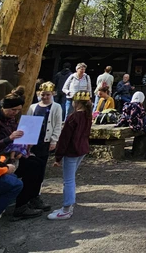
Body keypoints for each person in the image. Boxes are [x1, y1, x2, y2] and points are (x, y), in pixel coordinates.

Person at [0, 87, 46, 218]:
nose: (15, 113)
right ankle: (21, 206)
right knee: (31, 167)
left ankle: (31, 197)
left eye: (18, 111)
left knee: (38, 163)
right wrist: (9, 139)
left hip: (10, 156)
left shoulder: (9, 119)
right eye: (12, 110)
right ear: (3, 107)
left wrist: (25, 143)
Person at [48, 90, 92, 220]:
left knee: (68, 180)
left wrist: (58, 156)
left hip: (72, 151)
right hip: (82, 149)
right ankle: (69, 205)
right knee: (71, 179)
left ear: (76, 102)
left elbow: (64, 138)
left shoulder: (73, 117)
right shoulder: (88, 115)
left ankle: (66, 208)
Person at [26, 82, 62, 211]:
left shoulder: (56, 107)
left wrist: (54, 140)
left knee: (40, 169)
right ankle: (27, 196)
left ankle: (36, 195)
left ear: (52, 94)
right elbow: (28, 123)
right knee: (29, 168)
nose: (45, 97)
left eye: (47, 94)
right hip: (32, 142)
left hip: (44, 142)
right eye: (43, 94)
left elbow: (57, 124)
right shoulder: (33, 107)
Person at [116, 92, 146, 160]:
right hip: (138, 124)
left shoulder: (127, 105)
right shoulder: (138, 107)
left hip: (134, 122)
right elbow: (140, 119)